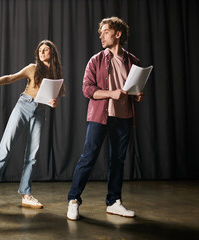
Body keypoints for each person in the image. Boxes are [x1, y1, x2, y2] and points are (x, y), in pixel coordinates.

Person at [0, 40, 65, 211]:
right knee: (5, 149)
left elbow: (55, 102)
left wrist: (54, 103)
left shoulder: (56, 75)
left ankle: (26, 195)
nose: (42, 53)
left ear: (52, 53)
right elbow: (10, 78)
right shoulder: (32, 68)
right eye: (40, 50)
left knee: (32, 155)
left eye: (46, 50)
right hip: (24, 106)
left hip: (40, 111)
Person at [66, 17, 144, 220]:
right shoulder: (96, 60)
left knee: (117, 160)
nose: (101, 35)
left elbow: (133, 88)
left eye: (105, 31)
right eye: (100, 32)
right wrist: (111, 93)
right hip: (101, 115)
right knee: (89, 157)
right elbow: (87, 89)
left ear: (118, 34)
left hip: (124, 116)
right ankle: (73, 200)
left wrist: (137, 94)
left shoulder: (133, 61)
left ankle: (113, 202)